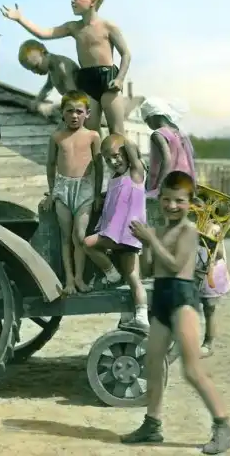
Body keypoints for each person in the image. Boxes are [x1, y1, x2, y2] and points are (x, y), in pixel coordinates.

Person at [124, 171, 230, 455]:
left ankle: (223, 425)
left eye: (179, 201)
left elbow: (175, 265)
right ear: (160, 199)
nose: (172, 206)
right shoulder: (159, 232)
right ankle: (152, 424)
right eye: (167, 200)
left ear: (191, 203)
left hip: (182, 299)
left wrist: (151, 239)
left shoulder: (188, 231)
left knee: (192, 369)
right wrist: (145, 244)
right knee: (153, 362)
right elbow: (148, 270)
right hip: (161, 297)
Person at [1, 0, 131, 136]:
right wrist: (20, 19)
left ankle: (126, 153)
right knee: (90, 132)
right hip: (87, 80)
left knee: (117, 133)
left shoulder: (108, 26)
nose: (72, 1)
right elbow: (44, 33)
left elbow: (126, 54)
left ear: (93, 2)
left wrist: (120, 79)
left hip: (107, 78)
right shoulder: (73, 27)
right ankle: (97, 153)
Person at [83, 134, 150, 330]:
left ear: (126, 153)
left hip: (126, 233)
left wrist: (123, 141)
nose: (113, 162)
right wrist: (102, 197)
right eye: (107, 159)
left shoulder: (135, 173)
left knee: (87, 243)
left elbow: (129, 145)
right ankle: (137, 316)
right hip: (117, 235)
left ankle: (111, 274)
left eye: (116, 155)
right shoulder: (114, 179)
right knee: (132, 277)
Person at [40, 90, 103, 295]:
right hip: (63, 188)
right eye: (69, 111)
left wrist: (97, 193)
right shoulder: (57, 137)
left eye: (79, 111)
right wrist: (52, 192)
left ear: (87, 114)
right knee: (66, 237)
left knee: (80, 236)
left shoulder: (93, 136)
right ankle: (68, 280)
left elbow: (99, 166)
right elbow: (50, 164)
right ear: (62, 113)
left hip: (85, 188)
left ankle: (79, 278)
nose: (74, 116)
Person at [139, 97, 196, 226]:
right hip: (183, 183)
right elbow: (190, 158)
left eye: (147, 121)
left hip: (167, 184)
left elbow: (167, 159)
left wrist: (159, 187)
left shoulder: (158, 134)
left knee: (158, 222)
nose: (148, 125)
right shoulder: (181, 134)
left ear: (152, 117)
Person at [196, 220, 230, 358]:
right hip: (194, 270)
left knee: (209, 308)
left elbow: (219, 253)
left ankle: (208, 343)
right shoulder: (191, 224)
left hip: (211, 271)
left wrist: (209, 242)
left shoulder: (214, 227)